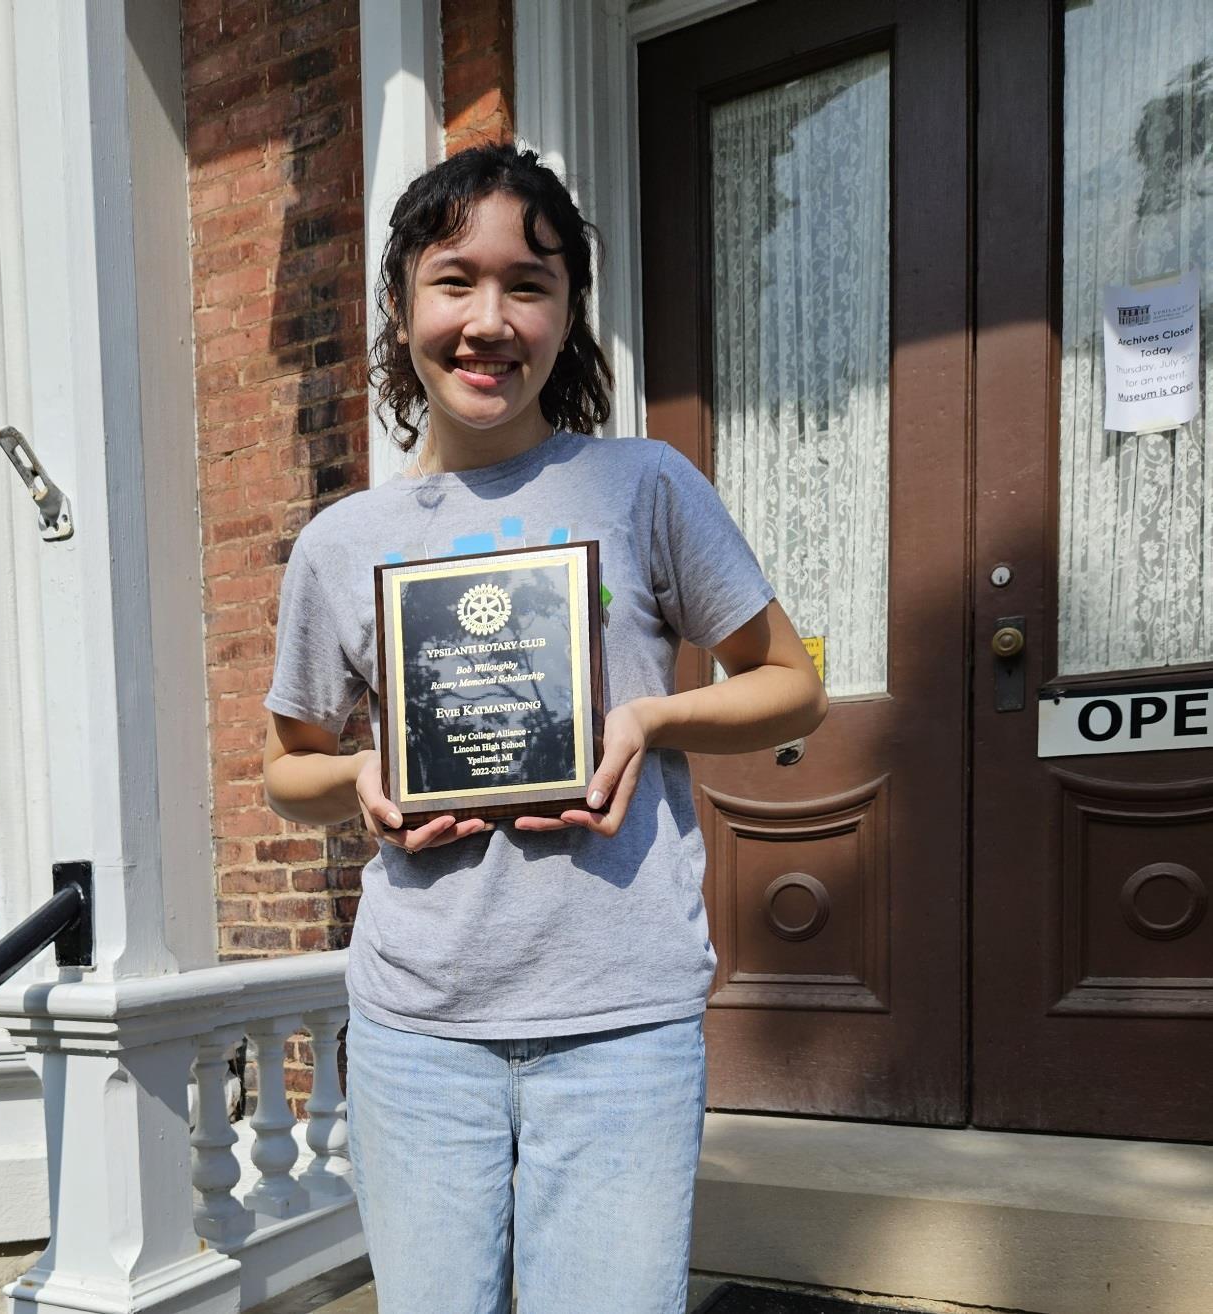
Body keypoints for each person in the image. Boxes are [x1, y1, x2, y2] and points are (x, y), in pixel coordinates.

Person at [262, 143, 827, 1314]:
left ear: (568, 314)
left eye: (529, 284)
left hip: (620, 1016)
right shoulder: (339, 543)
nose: (489, 319)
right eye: (454, 279)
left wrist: (654, 716)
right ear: (401, 305)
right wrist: (365, 775)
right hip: (419, 1027)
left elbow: (788, 684)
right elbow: (288, 769)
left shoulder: (646, 486)